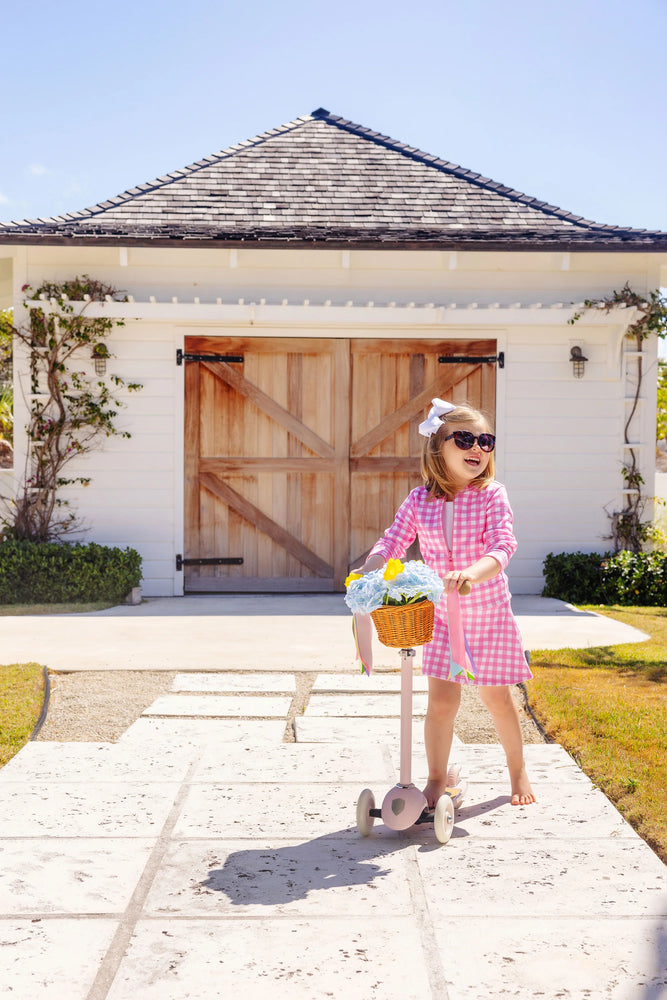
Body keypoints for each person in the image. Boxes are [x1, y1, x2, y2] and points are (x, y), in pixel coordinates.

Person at [356, 398, 536, 807]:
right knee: (440, 703)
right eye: (466, 438)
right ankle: (436, 779)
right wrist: (372, 566)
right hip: (441, 617)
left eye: (485, 440)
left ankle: (517, 769)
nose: (478, 448)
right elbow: (393, 540)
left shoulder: (492, 495)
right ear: (438, 446)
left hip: (488, 612)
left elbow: (504, 544)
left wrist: (472, 573)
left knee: (496, 698)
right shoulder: (421, 500)